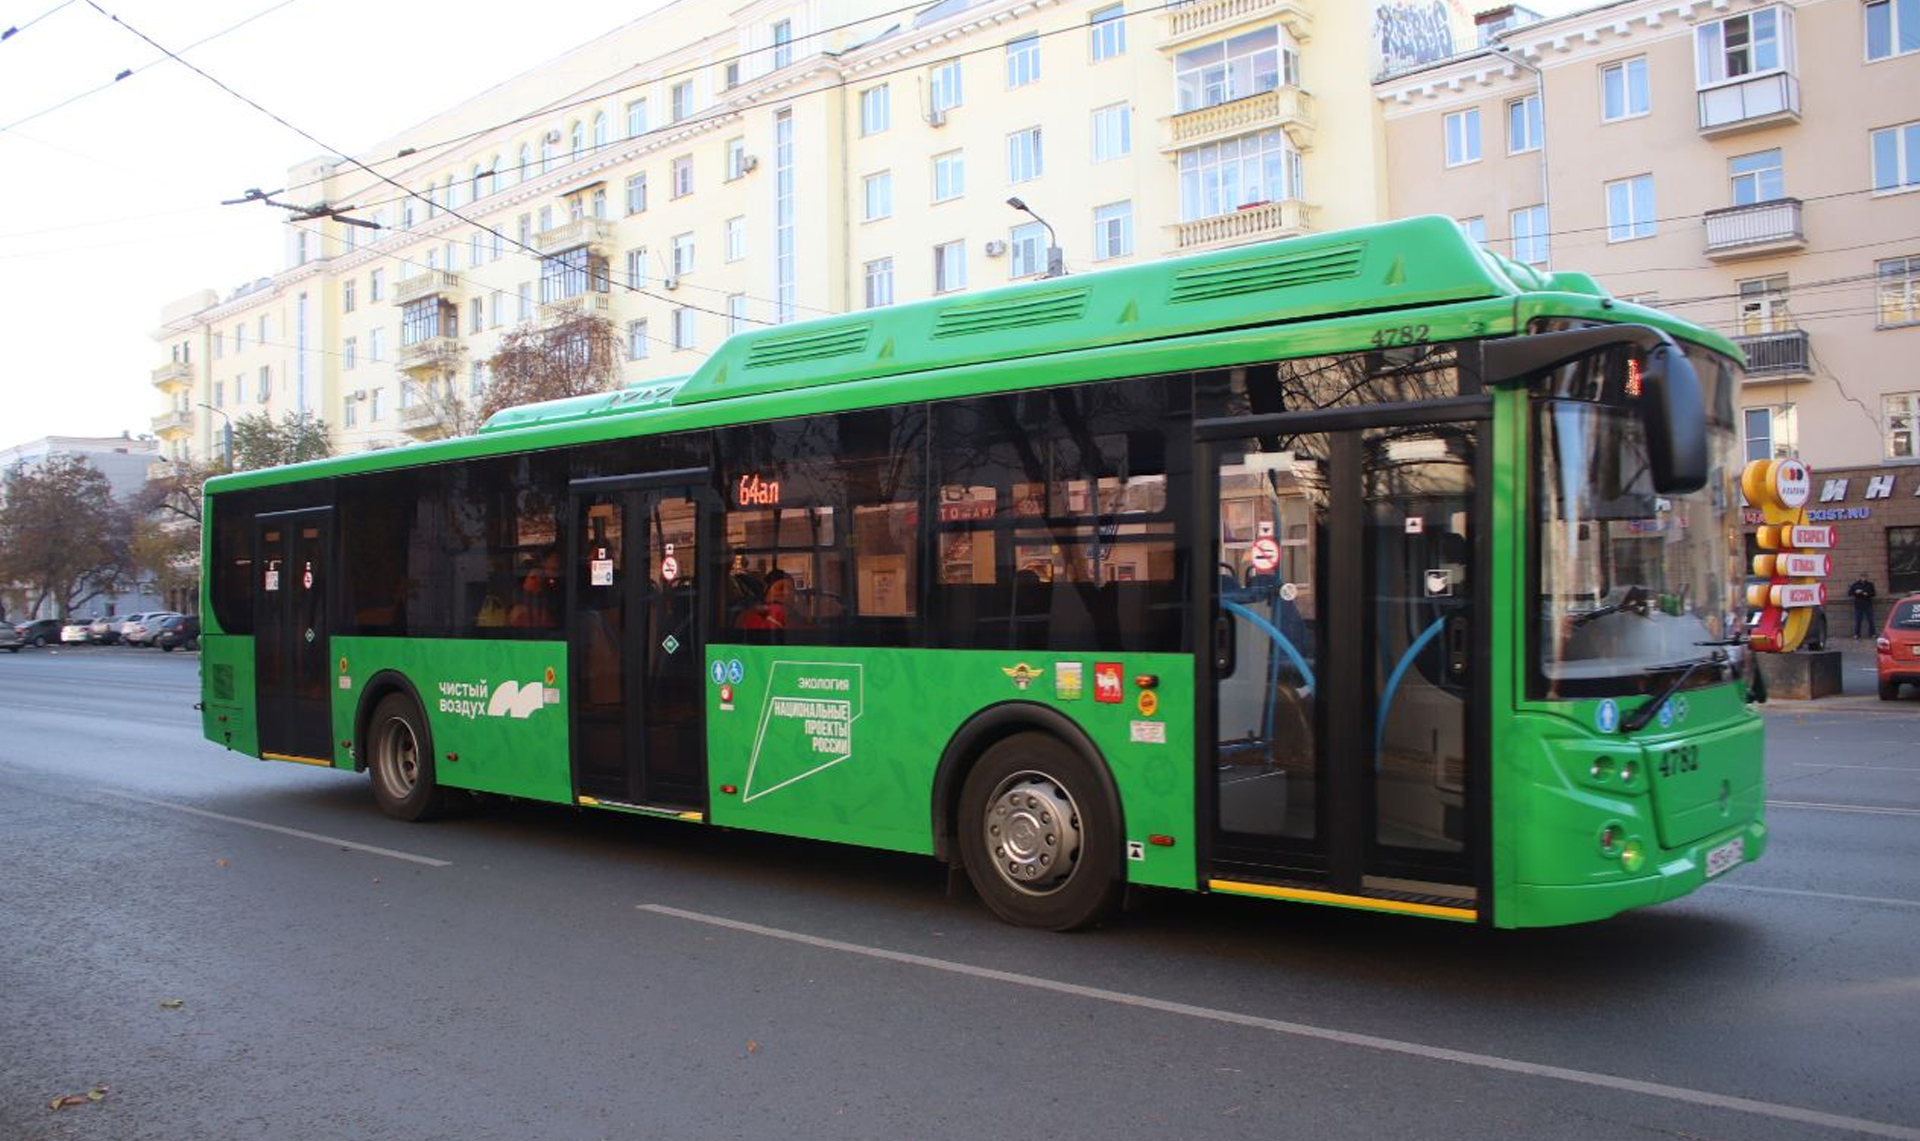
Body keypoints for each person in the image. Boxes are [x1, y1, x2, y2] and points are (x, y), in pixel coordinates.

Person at [510, 549, 563, 628]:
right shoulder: (535, 579)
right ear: (544, 562)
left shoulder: (551, 584)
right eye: (555, 560)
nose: (558, 565)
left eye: (559, 561)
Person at [1849, 572, 1877, 638]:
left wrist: (1867, 594)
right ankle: (1857, 634)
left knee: (1871, 620)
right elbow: (1850, 593)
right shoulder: (1855, 584)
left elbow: (1874, 593)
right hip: (1858, 605)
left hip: (1868, 604)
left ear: (1867, 577)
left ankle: (1872, 634)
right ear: (1859, 577)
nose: (1863, 578)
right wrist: (1856, 592)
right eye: (1862, 577)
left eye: (1864, 577)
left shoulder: (1870, 584)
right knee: (1858, 620)